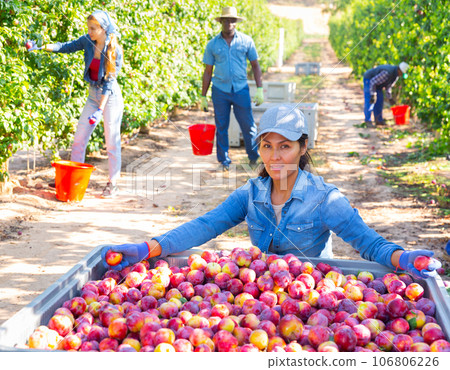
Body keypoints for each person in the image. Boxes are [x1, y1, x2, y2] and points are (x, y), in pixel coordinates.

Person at [102, 103, 441, 279]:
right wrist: (150, 247)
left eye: (285, 146)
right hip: (259, 290)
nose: (275, 157)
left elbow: (369, 243)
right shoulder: (250, 194)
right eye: (267, 146)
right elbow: (206, 225)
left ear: (303, 147)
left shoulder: (325, 199)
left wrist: (404, 258)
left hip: (310, 290)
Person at [27, 10, 124, 198]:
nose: (89, 32)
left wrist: (100, 109)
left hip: (109, 97)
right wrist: (41, 47)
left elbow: (110, 82)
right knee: (79, 139)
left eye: (93, 29)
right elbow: (66, 46)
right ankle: (72, 180)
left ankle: (113, 184)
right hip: (93, 94)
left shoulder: (114, 50)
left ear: (103, 29)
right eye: (88, 28)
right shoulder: (88, 41)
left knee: (112, 143)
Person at [200, 6, 264, 171]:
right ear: (221, 21)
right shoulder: (212, 45)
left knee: (248, 126)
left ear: (236, 22)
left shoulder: (246, 41)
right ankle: (224, 161)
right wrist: (203, 96)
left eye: (232, 20)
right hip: (220, 91)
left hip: (241, 90)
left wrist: (259, 88)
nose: (229, 23)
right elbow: (208, 72)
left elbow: (255, 65)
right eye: (226, 20)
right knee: (221, 126)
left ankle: (253, 158)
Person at [363, 62, 409, 127]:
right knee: (371, 101)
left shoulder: (396, 76)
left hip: (377, 84)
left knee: (379, 100)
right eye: (402, 73)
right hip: (369, 80)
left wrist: (389, 98)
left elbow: (388, 86)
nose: (402, 75)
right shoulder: (387, 73)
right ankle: (368, 121)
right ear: (399, 70)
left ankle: (379, 120)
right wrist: (373, 94)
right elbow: (373, 82)